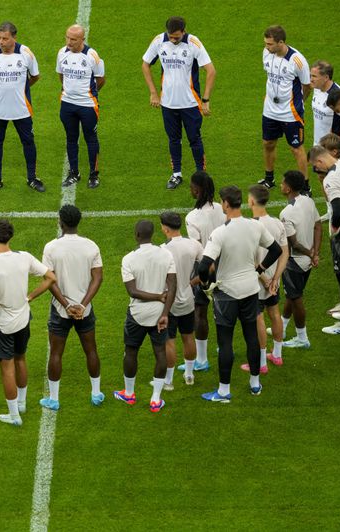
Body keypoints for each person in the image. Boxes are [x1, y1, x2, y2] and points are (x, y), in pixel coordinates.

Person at [199, 186, 282, 402]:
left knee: (225, 342)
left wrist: (206, 284)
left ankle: (224, 391)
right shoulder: (254, 226)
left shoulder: (220, 233)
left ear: (226, 204)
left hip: (227, 293)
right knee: (251, 337)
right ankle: (255, 383)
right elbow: (276, 250)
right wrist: (260, 269)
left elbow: (204, 265)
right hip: (250, 291)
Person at [0, 219, 55, 426]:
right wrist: (30, 296)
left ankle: (14, 415)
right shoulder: (25, 257)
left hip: (3, 324)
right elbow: (50, 277)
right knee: (21, 359)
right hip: (23, 319)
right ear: (9, 237)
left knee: (7, 368)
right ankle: (21, 403)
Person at [39, 205, 104, 410]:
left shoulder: (51, 247)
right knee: (91, 350)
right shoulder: (91, 246)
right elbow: (98, 277)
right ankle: (96, 393)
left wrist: (67, 305)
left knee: (56, 353)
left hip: (60, 310)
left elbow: (49, 279)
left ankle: (54, 399)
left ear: (61, 222)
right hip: (86, 310)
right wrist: (83, 305)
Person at [142, 16, 215, 190]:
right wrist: (153, 93)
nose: (173, 40)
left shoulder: (193, 43)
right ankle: (176, 174)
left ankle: (201, 175)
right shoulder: (160, 41)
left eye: (177, 37)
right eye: (171, 36)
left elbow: (211, 71)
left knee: (194, 138)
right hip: (168, 103)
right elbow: (145, 64)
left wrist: (205, 100)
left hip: (190, 103)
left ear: (184, 31)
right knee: (173, 139)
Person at [113, 220, 176, 412]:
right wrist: (165, 312)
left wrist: (156, 297)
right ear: (153, 234)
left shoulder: (128, 259)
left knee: (131, 351)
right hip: (159, 314)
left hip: (137, 314)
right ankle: (155, 399)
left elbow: (133, 291)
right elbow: (172, 286)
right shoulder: (166, 254)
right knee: (160, 353)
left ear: (137, 235)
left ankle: (129, 394)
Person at [0, 21, 46, 194]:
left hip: (21, 108)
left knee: (28, 141)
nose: (1, 42)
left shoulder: (26, 54)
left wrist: (21, 89)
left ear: (14, 38)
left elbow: (35, 76)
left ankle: (32, 178)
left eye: (5, 38)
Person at [308, 145, 340, 336]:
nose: (317, 171)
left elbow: (337, 210)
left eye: (316, 166)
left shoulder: (331, 179)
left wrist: (334, 231)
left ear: (320, 161)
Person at [181, 171, 225, 373]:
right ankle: (223, 347)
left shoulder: (192, 218)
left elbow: (198, 250)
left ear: (196, 190)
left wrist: (195, 279)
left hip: (206, 269)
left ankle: (202, 359)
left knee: (200, 312)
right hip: (225, 266)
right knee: (225, 311)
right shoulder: (222, 209)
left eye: (191, 187)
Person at [243, 185, 289, 373]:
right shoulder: (277, 223)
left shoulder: (249, 226)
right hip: (273, 280)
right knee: (274, 312)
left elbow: (251, 258)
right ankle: (277, 355)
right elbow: (284, 253)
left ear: (251, 201)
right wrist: (276, 279)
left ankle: (261, 363)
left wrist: (264, 279)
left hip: (257, 281)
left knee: (258, 317)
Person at [259, 25, 310, 189]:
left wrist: (300, 101)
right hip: (270, 110)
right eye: (266, 43)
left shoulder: (297, 61)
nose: (266, 47)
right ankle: (269, 178)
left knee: (296, 149)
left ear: (281, 42)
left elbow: (307, 85)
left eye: (270, 44)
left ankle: (305, 186)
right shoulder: (267, 53)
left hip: (290, 112)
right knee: (268, 143)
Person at [58, 24, 106, 189]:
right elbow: (61, 75)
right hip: (67, 104)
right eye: (67, 37)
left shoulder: (92, 56)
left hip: (87, 106)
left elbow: (101, 79)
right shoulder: (62, 53)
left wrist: (88, 94)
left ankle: (94, 174)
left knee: (91, 139)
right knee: (71, 138)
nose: (69, 42)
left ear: (82, 40)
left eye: (73, 39)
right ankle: (74, 172)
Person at [279, 171, 321, 348]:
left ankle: (302, 338)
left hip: (294, 261)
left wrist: (310, 254)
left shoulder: (286, 213)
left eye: (282, 183)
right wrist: (315, 252)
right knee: (292, 294)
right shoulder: (309, 200)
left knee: (296, 298)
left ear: (288, 188)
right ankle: (281, 326)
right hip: (308, 261)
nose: (280, 185)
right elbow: (318, 226)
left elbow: (294, 243)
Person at [160, 211, 203, 385]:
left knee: (169, 341)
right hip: (188, 300)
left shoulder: (162, 250)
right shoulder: (194, 245)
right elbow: (210, 268)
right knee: (188, 337)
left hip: (168, 304)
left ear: (165, 228)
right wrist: (191, 283)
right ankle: (189, 375)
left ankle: (168, 381)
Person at [309, 60, 340, 145]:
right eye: (310, 76)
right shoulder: (317, 88)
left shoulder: (337, 95)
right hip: (317, 143)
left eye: (314, 76)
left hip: (331, 147)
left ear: (326, 78)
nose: (311, 80)